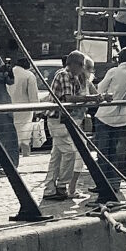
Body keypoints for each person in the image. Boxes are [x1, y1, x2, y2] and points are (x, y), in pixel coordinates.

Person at [91, 49, 126, 193]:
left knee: (103, 151)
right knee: (115, 151)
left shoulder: (113, 71)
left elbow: (100, 88)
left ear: (119, 58)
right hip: (121, 116)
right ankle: (114, 183)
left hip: (105, 114)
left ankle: (102, 184)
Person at [44, 52, 89, 198]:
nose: (82, 69)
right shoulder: (64, 75)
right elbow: (69, 98)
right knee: (69, 152)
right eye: (81, 65)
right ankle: (62, 185)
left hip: (62, 120)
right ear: (74, 64)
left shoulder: (73, 77)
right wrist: (91, 98)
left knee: (56, 156)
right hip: (57, 119)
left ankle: (50, 190)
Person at [8, 49, 43, 152]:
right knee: (25, 138)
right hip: (25, 111)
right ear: (24, 62)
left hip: (9, 108)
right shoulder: (29, 75)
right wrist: (38, 111)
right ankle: (25, 158)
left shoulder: (10, 72)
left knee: (12, 136)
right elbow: (33, 96)